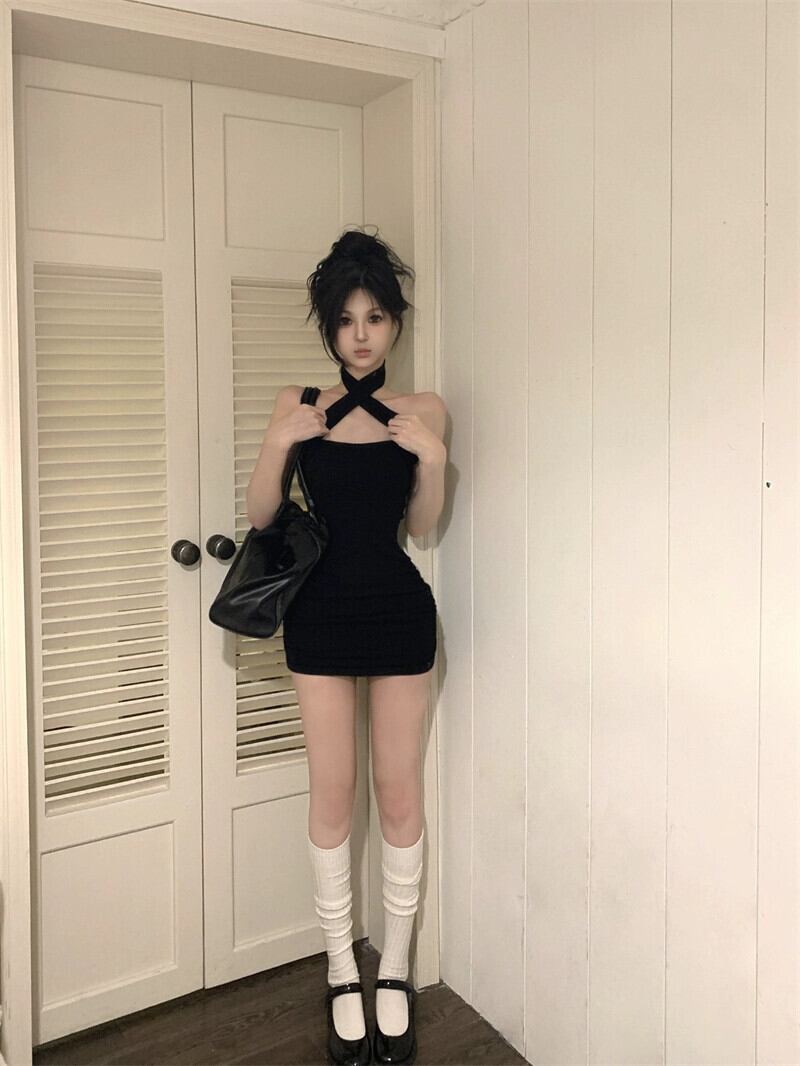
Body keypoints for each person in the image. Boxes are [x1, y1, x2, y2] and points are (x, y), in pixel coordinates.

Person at [245, 228, 447, 1066]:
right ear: (329, 327)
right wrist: (278, 441)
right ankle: (340, 969)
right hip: (320, 616)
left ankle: (393, 969)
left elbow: (423, 527)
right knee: (332, 794)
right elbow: (261, 517)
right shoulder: (298, 401)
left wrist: (432, 459)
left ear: (395, 323)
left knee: (398, 792)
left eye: (375, 317)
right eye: (345, 319)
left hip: (398, 610)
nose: (361, 334)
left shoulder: (424, 409)